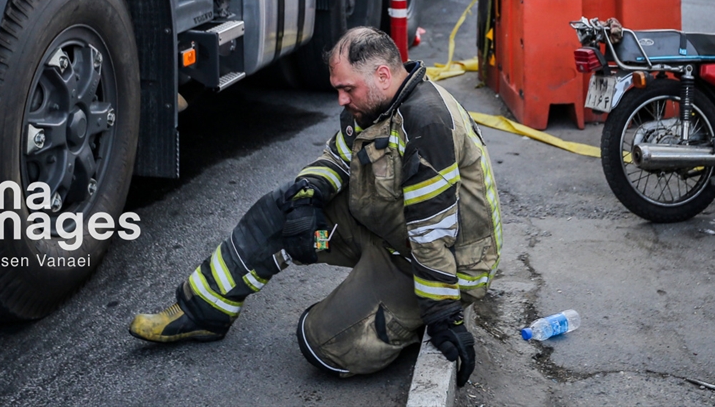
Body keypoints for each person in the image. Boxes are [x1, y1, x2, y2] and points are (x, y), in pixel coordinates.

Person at [129, 27, 502, 388]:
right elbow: (338, 156)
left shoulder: (426, 123)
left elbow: (431, 234)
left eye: (346, 89)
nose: (341, 100)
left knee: (320, 345)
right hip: (388, 233)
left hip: (439, 265)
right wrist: (308, 194)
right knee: (285, 211)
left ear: (383, 75)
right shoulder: (373, 103)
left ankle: (404, 315)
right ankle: (203, 311)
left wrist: (443, 317)